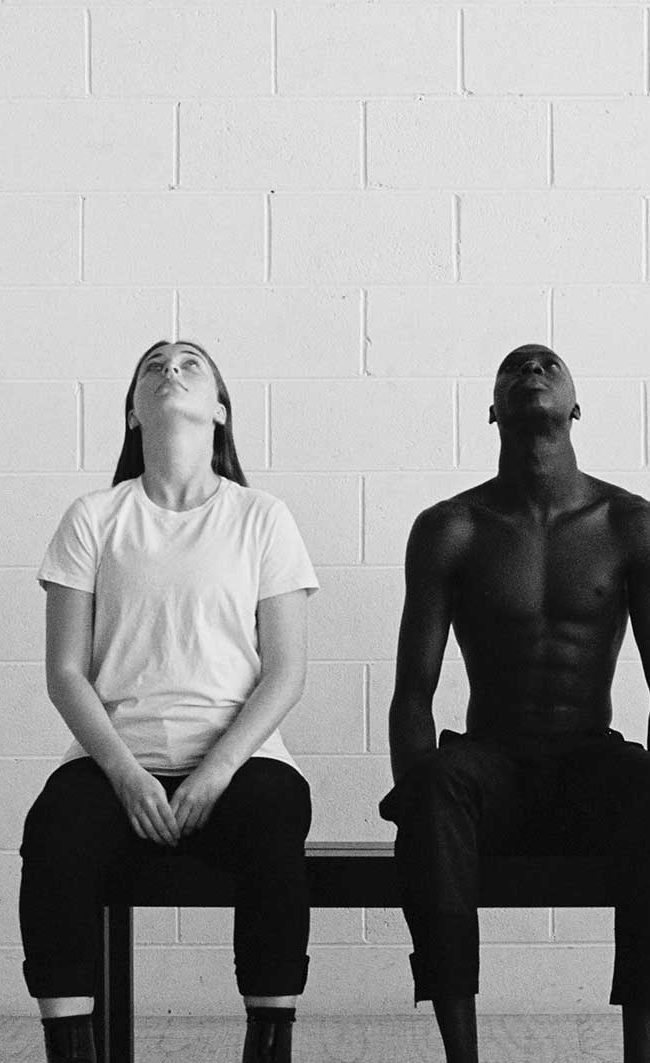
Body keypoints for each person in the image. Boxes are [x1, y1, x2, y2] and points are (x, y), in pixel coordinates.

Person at [20, 340, 319, 1063]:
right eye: (154, 365)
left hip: (238, 764)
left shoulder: (262, 517)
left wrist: (215, 771)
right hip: (117, 762)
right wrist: (126, 775)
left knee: (277, 814)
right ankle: (72, 1048)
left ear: (219, 410)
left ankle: (268, 1043)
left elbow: (285, 671)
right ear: (133, 411)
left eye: (190, 364)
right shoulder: (93, 517)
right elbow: (65, 673)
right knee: (53, 829)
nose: (170, 370)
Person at [380, 344, 650, 1063]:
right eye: (516, 367)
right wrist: (418, 801)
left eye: (548, 365)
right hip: (491, 769)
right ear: (493, 410)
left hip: (588, 765)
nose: (532, 371)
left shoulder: (629, 523)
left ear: (576, 407)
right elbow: (412, 694)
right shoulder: (451, 527)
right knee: (432, 783)